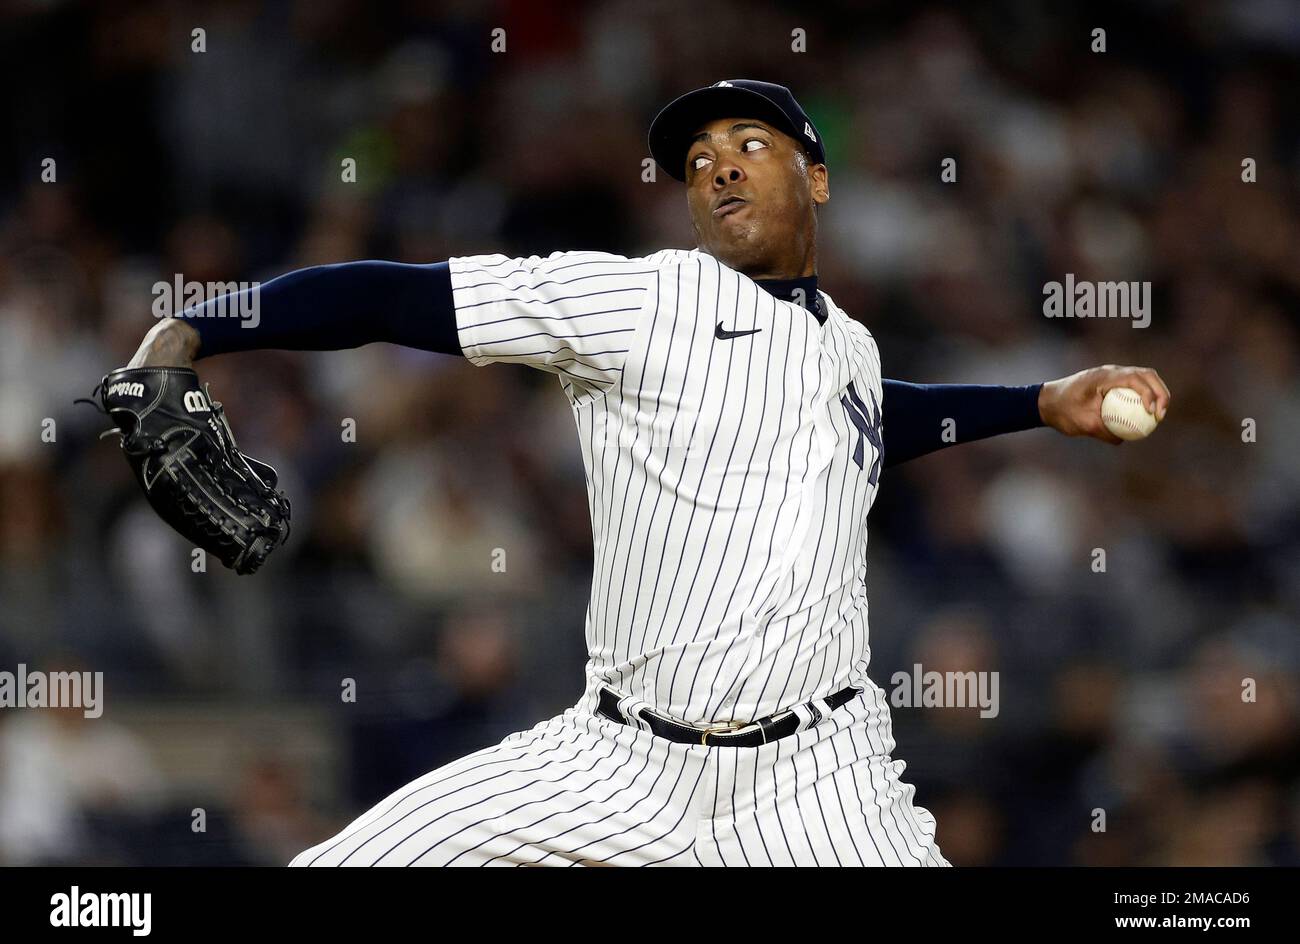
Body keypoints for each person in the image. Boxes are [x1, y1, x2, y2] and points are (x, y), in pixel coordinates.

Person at [121, 79, 1170, 866]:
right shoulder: (644, 302)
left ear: (816, 178)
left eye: (749, 145)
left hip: (823, 778)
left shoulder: (844, 344)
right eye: (697, 158)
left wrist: (1038, 401)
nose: (716, 165)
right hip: (614, 760)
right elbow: (398, 296)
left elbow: (869, 418)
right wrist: (195, 326)